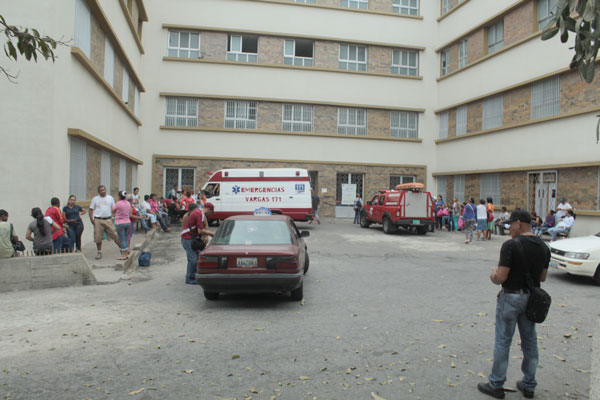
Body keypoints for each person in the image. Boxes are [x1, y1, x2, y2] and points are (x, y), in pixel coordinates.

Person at [477, 210, 549, 399]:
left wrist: (493, 275)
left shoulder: (510, 245)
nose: (509, 228)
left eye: (511, 225)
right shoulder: (543, 246)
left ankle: (496, 383)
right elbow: (542, 277)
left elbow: (501, 278)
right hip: (531, 299)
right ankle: (529, 384)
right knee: (530, 341)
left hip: (510, 298)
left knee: (503, 341)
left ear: (519, 223)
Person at [180, 203, 214, 285]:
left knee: (196, 258)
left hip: (189, 238)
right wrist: (211, 234)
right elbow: (200, 230)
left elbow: (203, 227)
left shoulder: (198, 213)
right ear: (208, 209)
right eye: (211, 212)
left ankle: (195, 275)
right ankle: (189, 278)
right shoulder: (199, 214)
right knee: (193, 260)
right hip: (187, 239)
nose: (211, 214)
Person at [89, 185, 121, 260]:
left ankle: (122, 249)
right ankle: (99, 252)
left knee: (115, 235)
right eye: (101, 190)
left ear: (106, 190)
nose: (103, 191)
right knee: (98, 237)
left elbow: (114, 208)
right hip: (98, 220)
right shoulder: (95, 199)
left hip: (108, 219)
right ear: (98, 191)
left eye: (104, 190)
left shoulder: (110, 198)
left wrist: (113, 217)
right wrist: (91, 219)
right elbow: (91, 209)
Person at [113, 191, 132, 260]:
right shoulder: (128, 203)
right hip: (128, 222)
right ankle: (126, 253)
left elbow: (112, 211)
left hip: (120, 223)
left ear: (119, 196)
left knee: (122, 239)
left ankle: (124, 255)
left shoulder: (118, 203)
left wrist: (116, 214)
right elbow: (129, 212)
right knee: (126, 238)